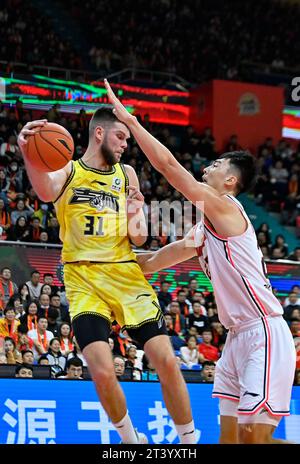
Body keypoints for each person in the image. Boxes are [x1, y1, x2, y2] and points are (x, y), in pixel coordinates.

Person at [104, 80, 296, 444]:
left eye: (218, 163)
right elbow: (154, 261)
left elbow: (169, 167)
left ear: (230, 180)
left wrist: (130, 121)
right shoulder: (204, 231)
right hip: (236, 339)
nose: (210, 164)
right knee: (230, 442)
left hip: (264, 333)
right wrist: (104, 257)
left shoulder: (226, 208)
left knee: (253, 440)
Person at [18, 111, 196, 445]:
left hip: (124, 274)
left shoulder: (127, 173)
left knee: (167, 361)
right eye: (121, 137)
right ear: (99, 133)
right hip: (82, 276)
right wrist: (28, 151)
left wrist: (134, 214)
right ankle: (131, 441)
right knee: (101, 370)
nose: (126, 145)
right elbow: (43, 191)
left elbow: (140, 238)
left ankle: (189, 440)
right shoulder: (68, 169)